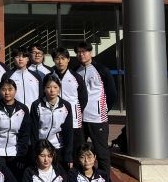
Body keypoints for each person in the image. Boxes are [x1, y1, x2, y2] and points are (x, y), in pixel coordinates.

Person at [75, 41, 117, 174]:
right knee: (80, 150)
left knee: (101, 151)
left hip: (97, 118)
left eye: (84, 52)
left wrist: (103, 109)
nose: (81, 54)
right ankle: (82, 178)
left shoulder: (101, 70)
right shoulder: (76, 71)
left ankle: (105, 180)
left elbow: (112, 93)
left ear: (91, 53)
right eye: (79, 52)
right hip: (80, 119)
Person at [0, 79, 30, 179]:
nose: (7, 92)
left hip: (15, 151)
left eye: (10, 89)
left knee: (15, 180)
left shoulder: (23, 109)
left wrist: (21, 155)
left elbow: (24, 134)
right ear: (0, 91)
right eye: (4, 89)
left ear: (15, 91)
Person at [31, 75, 74, 168]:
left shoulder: (66, 106)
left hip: (57, 147)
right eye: (48, 87)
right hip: (41, 147)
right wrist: (35, 151)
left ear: (59, 88)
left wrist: (68, 155)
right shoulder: (36, 105)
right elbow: (33, 130)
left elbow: (68, 132)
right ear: (44, 89)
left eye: (55, 87)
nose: (52, 90)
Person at [51, 47, 88, 156]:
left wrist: (75, 111)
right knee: (57, 151)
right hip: (55, 119)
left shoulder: (76, 77)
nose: (60, 61)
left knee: (76, 151)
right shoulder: (50, 77)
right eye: (57, 58)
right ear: (53, 60)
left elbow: (83, 98)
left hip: (74, 121)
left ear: (68, 59)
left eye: (63, 58)